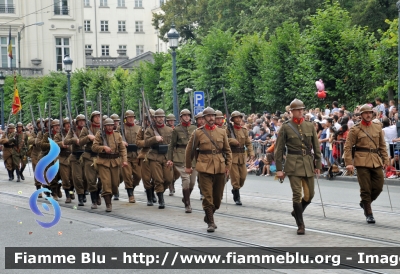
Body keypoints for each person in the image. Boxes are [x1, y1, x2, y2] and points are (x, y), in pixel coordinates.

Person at [275, 99, 322, 235]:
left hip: (307, 163)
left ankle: (297, 212)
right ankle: (300, 225)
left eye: (302, 109)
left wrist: (318, 163)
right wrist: (279, 169)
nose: (301, 111)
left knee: (310, 195)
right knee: (297, 194)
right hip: (293, 164)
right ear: (292, 111)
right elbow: (279, 149)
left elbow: (316, 146)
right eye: (298, 109)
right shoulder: (286, 127)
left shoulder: (309, 125)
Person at [185, 107, 232, 232]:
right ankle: (211, 222)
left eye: (213, 116)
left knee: (217, 199)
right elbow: (189, 151)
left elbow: (227, 151)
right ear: (204, 118)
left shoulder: (221, 132)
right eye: (209, 116)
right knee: (207, 196)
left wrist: (228, 166)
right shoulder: (197, 133)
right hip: (204, 168)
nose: (211, 118)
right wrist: (188, 166)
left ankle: (208, 215)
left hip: (220, 167)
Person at [344, 104, 389, 224]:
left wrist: (386, 159)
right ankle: (369, 213)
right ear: (361, 115)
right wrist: (349, 163)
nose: (369, 115)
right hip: (361, 161)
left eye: (370, 113)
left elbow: (382, 145)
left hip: (375, 159)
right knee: (365, 189)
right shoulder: (355, 129)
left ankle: (365, 202)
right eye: (366, 113)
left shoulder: (377, 127)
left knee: (379, 186)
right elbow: (348, 147)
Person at [92, 118, 128, 212]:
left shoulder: (117, 134)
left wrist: (124, 160)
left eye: (111, 125)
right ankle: (108, 204)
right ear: (104, 126)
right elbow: (94, 147)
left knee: (115, 184)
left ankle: (107, 195)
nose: (109, 127)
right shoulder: (99, 134)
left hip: (115, 162)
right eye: (107, 125)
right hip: (103, 162)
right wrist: (103, 147)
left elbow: (122, 148)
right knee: (106, 183)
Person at [167, 109, 197, 213]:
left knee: (192, 182)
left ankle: (186, 197)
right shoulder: (177, 129)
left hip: (193, 159)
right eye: (184, 116)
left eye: (188, 115)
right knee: (186, 180)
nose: (186, 117)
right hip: (180, 158)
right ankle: (187, 204)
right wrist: (170, 158)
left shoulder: (195, 128)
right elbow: (171, 146)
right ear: (181, 117)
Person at [144, 109, 173, 209]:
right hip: (154, 156)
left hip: (166, 157)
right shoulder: (150, 130)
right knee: (158, 179)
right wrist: (154, 139)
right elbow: (146, 142)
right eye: (159, 117)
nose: (161, 118)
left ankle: (157, 190)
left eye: (162, 117)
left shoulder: (169, 130)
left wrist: (171, 158)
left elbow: (173, 145)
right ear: (155, 118)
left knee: (168, 179)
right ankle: (161, 200)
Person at [226, 111, 255, 205]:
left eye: (239, 117)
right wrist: (232, 141)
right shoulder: (228, 129)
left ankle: (235, 189)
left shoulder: (244, 130)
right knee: (235, 177)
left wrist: (251, 152)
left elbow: (248, 143)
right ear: (233, 119)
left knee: (243, 176)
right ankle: (237, 196)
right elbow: (224, 140)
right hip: (233, 156)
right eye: (236, 118)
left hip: (242, 156)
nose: (238, 119)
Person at [79, 111, 102, 208]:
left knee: (103, 179)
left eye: (99, 116)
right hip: (89, 157)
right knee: (91, 180)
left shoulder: (104, 128)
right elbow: (80, 142)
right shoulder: (86, 129)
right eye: (95, 117)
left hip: (101, 156)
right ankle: (93, 201)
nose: (97, 118)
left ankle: (97, 193)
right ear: (92, 118)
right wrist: (88, 137)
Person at [119, 110, 142, 203]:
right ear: (125, 119)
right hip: (126, 155)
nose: (131, 119)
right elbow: (115, 138)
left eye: (132, 117)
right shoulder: (120, 128)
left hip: (136, 155)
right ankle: (130, 194)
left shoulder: (139, 128)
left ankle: (131, 188)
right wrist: (121, 142)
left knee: (138, 176)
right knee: (127, 175)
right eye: (129, 117)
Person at [136, 109, 158, 206]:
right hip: (145, 155)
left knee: (156, 177)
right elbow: (138, 142)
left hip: (156, 154)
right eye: (147, 119)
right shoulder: (141, 130)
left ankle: (153, 192)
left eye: (151, 119)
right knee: (146, 178)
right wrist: (148, 142)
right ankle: (149, 197)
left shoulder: (158, 129)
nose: (148, 121)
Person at [64, 115, 87, 206]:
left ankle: (84, 191)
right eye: (80, 121)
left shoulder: (87, 129)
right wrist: (75, 140)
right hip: (76, 156)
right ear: (77, 122)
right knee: (77, 178)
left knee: (86, 178)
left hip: (86, 156)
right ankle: (80, 196)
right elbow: (66, 141)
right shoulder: (72, 130)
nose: (82, 122)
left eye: (83, 120)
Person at [54, 118, 73, 203]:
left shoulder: (74, 133)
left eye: (70, 123)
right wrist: (62, 144)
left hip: (73, 158)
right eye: (67, 124)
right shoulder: (59, 135)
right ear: (64, 125)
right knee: (65, 179)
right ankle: (68, 196)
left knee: (74, 179)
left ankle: (71, 192)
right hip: (63, 158)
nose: (68, 125)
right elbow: (55, 143)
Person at [28, 119, 44, 197]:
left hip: (45, 154)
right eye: (39, 123)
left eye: (43, 123)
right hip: (36, 154)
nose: (41, 125)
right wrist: (36, 140)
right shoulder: (34, 133)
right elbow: (30, 141)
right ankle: (39, 189)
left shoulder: (46, 132)